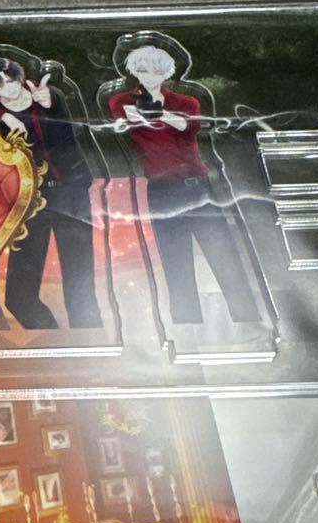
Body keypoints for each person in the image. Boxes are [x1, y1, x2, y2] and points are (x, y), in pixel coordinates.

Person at [0, 56, 103, 329]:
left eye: (11, 81)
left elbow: (66, 139)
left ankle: (91, 341)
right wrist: (2, 116)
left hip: (70, 195)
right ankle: (52, 340)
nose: (8, 89)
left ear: (20, 77)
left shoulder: (47, 95)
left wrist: (49, 106)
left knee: (80, 291)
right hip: (28, 201)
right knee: (19, 296)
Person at [109, 42, 259, 325]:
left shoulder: (186, 102)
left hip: (197, 188)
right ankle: (186, 326)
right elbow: (122, 117)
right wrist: (144, 111)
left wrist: (159, 113)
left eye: (157, 71)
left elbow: (189, 126)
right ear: (134, 72)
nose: (150, 76)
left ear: (166, 73)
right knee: (176, 264)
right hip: (161, 192)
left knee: (225, 258)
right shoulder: (123, 101)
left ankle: (250, 320)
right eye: (143, 70)